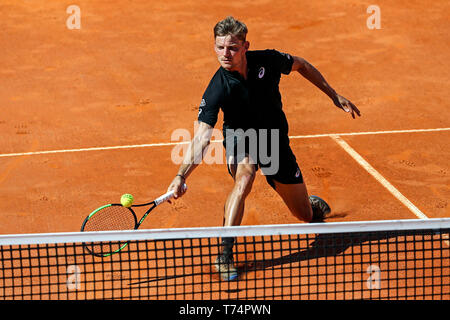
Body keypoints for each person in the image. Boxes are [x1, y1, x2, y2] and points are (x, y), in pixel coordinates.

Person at [167, 16, 360, 280]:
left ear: (246, 46)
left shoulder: (268, 60)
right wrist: (180, 176)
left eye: (232, 48)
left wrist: (334, 94)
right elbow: (202, 137)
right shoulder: (217, 88)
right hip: (241, 138)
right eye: (220, 47)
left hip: (275, 141)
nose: (225, 54)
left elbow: (302, 65)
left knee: (304, 215)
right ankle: (224, 253)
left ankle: (310, 206)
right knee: (244, 179)